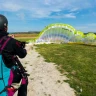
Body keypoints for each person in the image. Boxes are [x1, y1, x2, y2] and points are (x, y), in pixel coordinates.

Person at [0, 14, 28, 96]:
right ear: (5, 27)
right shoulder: (11, 42)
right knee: (24, 78)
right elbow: (22, 54)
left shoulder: (10, 41)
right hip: (4, 83)